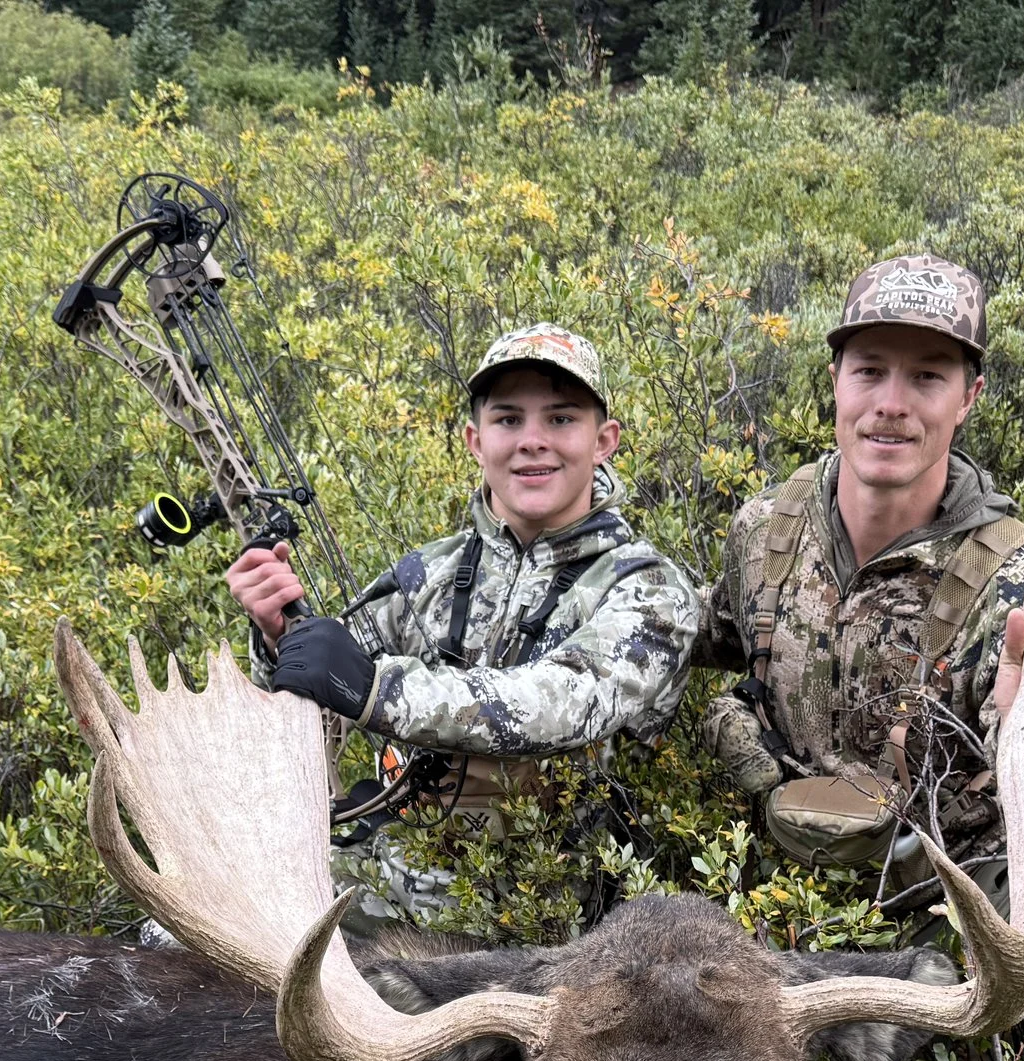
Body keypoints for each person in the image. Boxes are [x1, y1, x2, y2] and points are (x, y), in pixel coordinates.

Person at [697, 256, 1024, 1061]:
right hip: (778, 873)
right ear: (835, 381)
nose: (892, 403)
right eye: (870, 371)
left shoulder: (1017, 590)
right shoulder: (766, 531)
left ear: (970, 397)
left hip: (944, 891)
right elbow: (712, 639)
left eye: (927, 377)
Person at [225, 325, 702, 918]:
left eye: (560, 419)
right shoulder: (429, 571)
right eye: (508, 420)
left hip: (552, 924)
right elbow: (321, 698)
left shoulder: (649, 589)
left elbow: (562, 703)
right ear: (476, 441)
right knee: (185, 930)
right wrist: (279, 638)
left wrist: (377, 689)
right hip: (391, 884)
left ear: (604, 440)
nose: (532, 442)